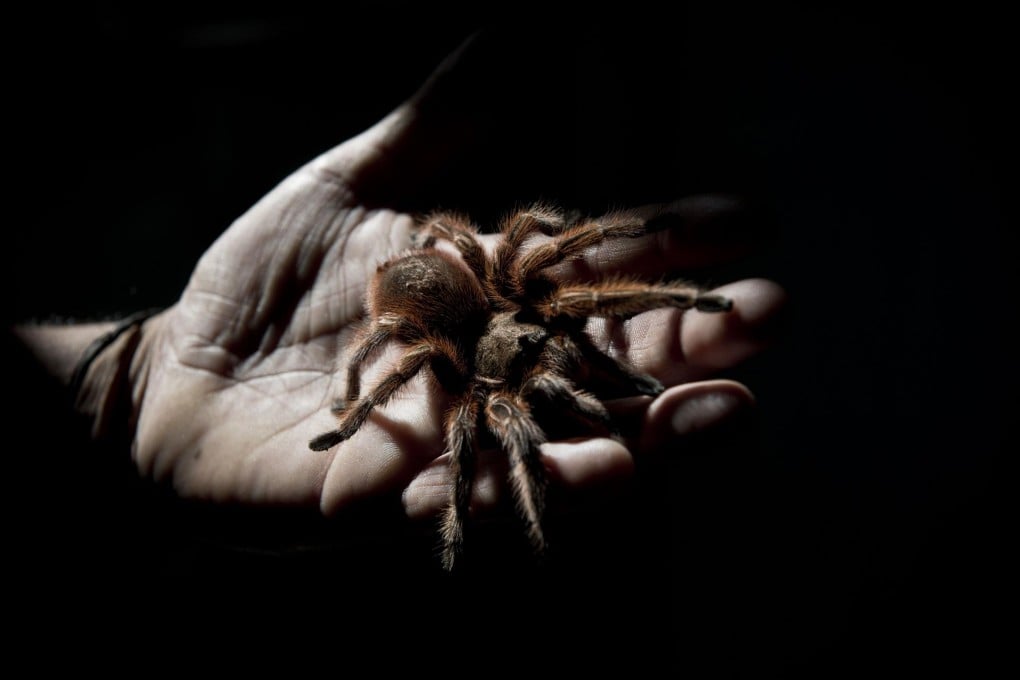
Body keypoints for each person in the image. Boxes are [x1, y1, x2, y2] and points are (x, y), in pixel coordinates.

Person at [9, 30, 785, 567]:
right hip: (449, 328)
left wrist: (659, 291)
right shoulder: (446, 361)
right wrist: (359, 414)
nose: (543, 348)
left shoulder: (526, 306)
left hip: (477, 308)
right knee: (506, 406)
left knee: (548, 257)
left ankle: (686, 296)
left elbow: (540, 236)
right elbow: (431, 357)